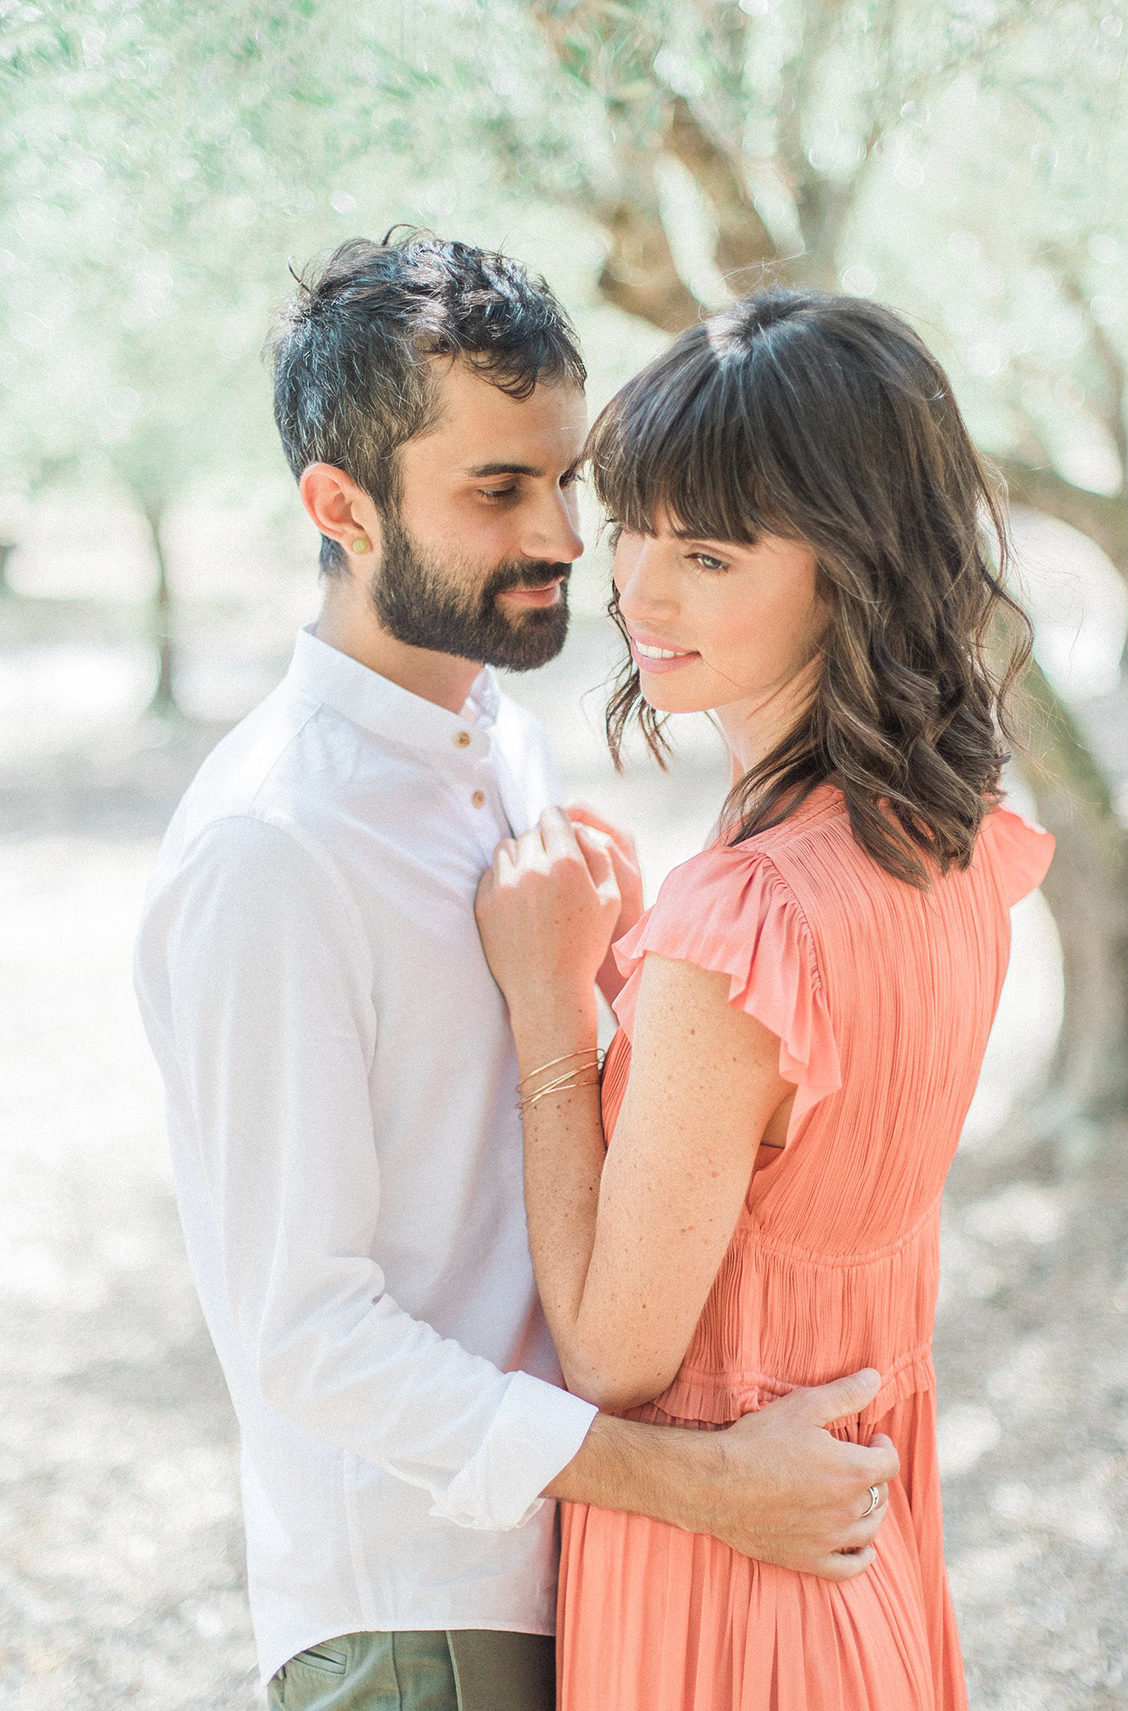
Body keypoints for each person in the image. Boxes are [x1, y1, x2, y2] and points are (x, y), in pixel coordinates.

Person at [133, 236, 898, 1711]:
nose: (562, 536)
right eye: (498, 489)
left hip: (596, 1572)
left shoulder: (507, 742)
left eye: (567, 479)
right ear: (339, 507)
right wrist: (700, 1486)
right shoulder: (268, 851)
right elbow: (304, 1333)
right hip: (429, 1621)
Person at [475, 288, 1055, 1711]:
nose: (640, 592)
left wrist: (555, 1010)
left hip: (723, 1579)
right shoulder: (954, 842)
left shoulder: (746, 920)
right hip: (868, 1556)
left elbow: (617, 1350)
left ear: (850, 568)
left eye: (711, 554)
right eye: (636, 530)